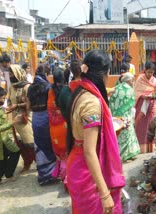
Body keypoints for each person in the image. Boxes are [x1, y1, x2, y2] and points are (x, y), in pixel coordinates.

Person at [66, 50, 125, 214]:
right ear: (104, 74)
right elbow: (89, 151)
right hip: (87, 172)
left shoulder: (81, 91)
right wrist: (105, 194)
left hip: (78, 164)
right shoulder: (92, 103)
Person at [27, 64, 57, 185]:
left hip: (35, 118)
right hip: (46, 117)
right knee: (49, 144)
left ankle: (43, 176)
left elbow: (28, 107)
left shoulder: (30, 88)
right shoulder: (48, 87)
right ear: (45, 74)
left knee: (39, 146)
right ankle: (52, 174)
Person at [6, 64, 35, 173]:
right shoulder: (11, 86)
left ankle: (39, 163)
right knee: (20, 144)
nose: (10, 75)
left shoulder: (26, 87)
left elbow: (30, 104)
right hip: (15, 119)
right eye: (9, 73)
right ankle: (27, 163)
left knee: (30, 142)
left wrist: (17, 106)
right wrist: (9, 106)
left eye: (11, 73)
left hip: (25, 118)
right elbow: (9, 100)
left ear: (17, 73)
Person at [109, 72, 140, 161]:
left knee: (121, 135)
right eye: (132, 81)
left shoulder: (116, 88)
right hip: (126, 115)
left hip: (116, 116)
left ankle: (122, 154)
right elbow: (132, 103)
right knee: (128, 134)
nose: (133, 83)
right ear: (129, 81)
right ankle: (125, 155)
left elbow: (111, 102)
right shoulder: (129, 89)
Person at [47, 68, 68, 187]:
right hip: (65, 126)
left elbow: (50, 110)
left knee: (60, 155)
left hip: (54, 127)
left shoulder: (50, 91)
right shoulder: (66, 90)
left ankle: (63, 176)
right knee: (68, 154)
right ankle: (67, 180)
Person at [134, 61, 156, 153]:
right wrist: (142, 96)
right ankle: (140, 148)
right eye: (148, 72)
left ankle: (151, 147)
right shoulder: (140, 79)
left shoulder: (154, 80)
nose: (150, 74)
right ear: (145, 70)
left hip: (151, 106)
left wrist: (155, 95)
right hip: (141, 106)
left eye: (152, 72)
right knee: (141, 126)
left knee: (151, 125)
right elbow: (136, 92)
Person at [0, 86, 21, 183]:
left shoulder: (0, 108)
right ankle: (7, 174)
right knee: (14, 152)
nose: (4, 100)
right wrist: (13, 122)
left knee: (3, 157)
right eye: (3, 98)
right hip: (2, 139)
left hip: (4, 138)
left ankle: (6, 174)